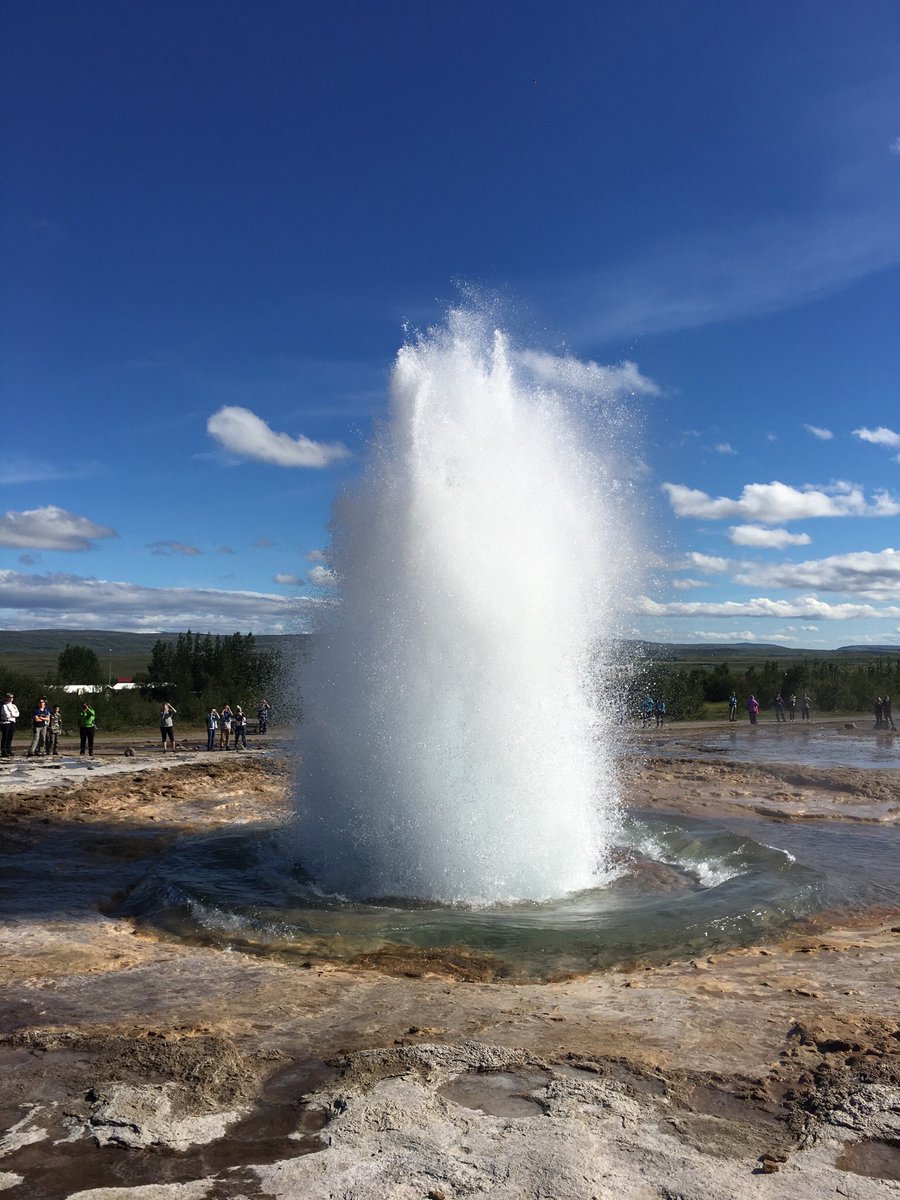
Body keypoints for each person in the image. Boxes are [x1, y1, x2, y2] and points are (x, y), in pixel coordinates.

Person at [0, 692, 19, 757]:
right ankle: (4, 751)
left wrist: (12, 714)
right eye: (9, 697)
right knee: (5, 737)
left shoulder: (14, 706)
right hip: (6, 722)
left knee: (10, 737)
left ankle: (9, 750)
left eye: (11, 697)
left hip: (12, 722)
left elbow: (17, 714)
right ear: (6, 698)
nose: (10, 699)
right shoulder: (4, 706)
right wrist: (12, 714)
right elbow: (7, 715)